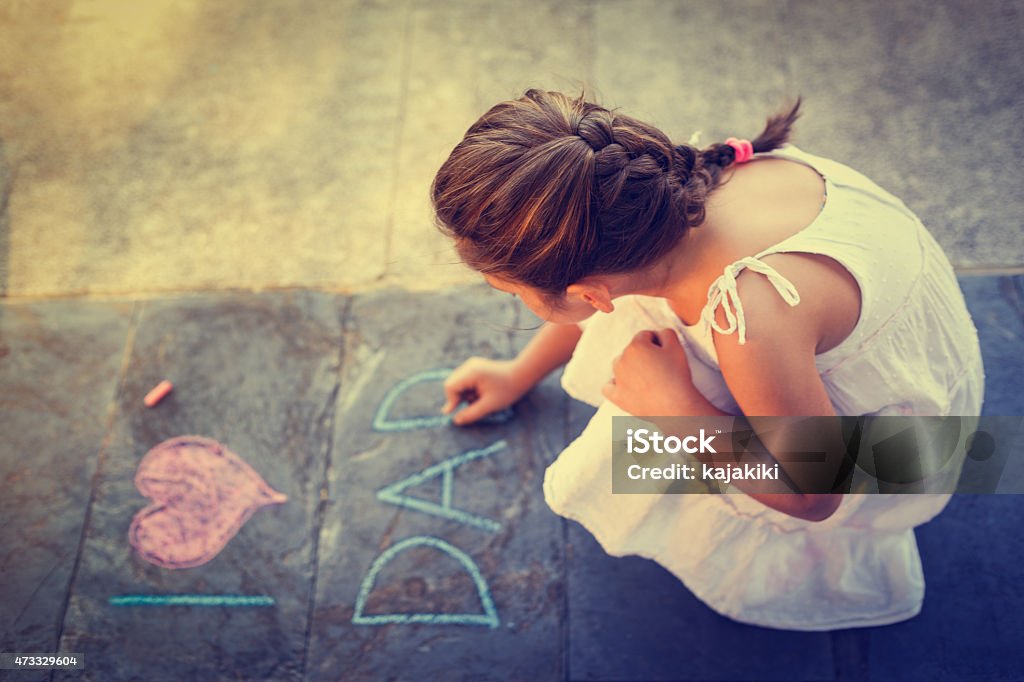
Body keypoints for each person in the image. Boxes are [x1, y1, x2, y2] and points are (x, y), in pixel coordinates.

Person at [430, 88, 984, 630]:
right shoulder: (684, 188)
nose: (512, 298)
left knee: (652, 422)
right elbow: (612, 299)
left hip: (887, 452)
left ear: (588, 295)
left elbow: (817, 494)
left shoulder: (748, 315)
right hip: (900, 371)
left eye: (511, 292)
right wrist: (519, 372)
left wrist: (676, 409)